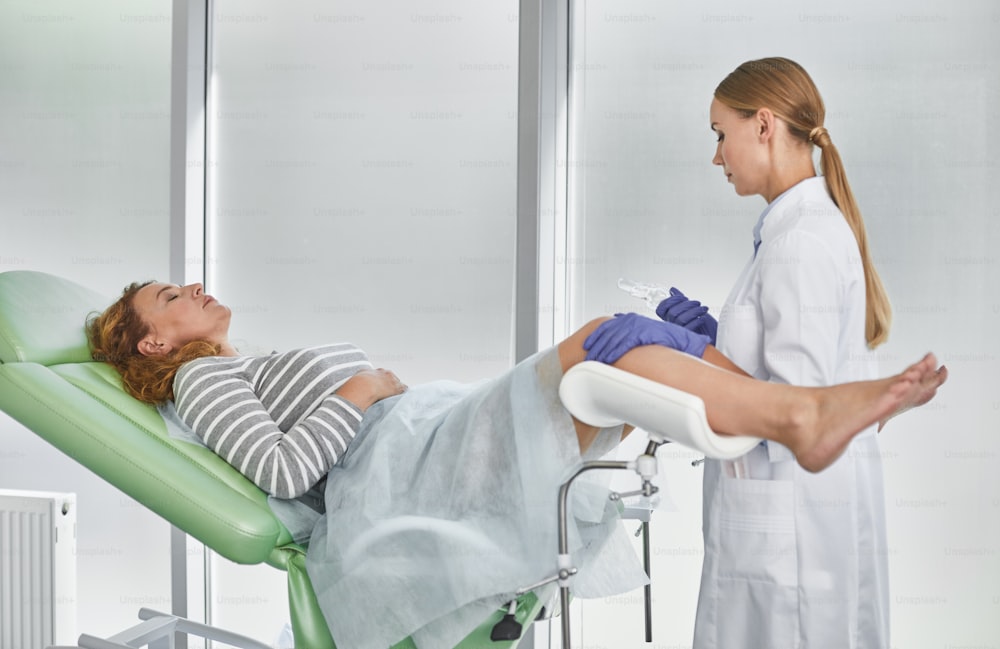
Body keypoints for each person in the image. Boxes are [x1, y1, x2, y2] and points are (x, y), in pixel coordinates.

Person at [87, 280, 945, 649]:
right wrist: (356, 393)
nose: (193, 285)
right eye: (170, 295)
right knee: (603, 348)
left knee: (619, 344)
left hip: (417, 440)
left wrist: (373, 394)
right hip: (400, 474)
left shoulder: (234, 362)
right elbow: (282, 471)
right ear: (156, 341)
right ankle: (799, 416)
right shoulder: (199, 379)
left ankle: (799, 409)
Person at [656, 57, 909, 648]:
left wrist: (687, 352)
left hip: (792, 536)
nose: (716, 156)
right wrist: (714, 339)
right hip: (791, 526)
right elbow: (783, 378)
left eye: (721, 135)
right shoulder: (794, 233)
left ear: (763, 125)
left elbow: (796, 415)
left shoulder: (801, 242)